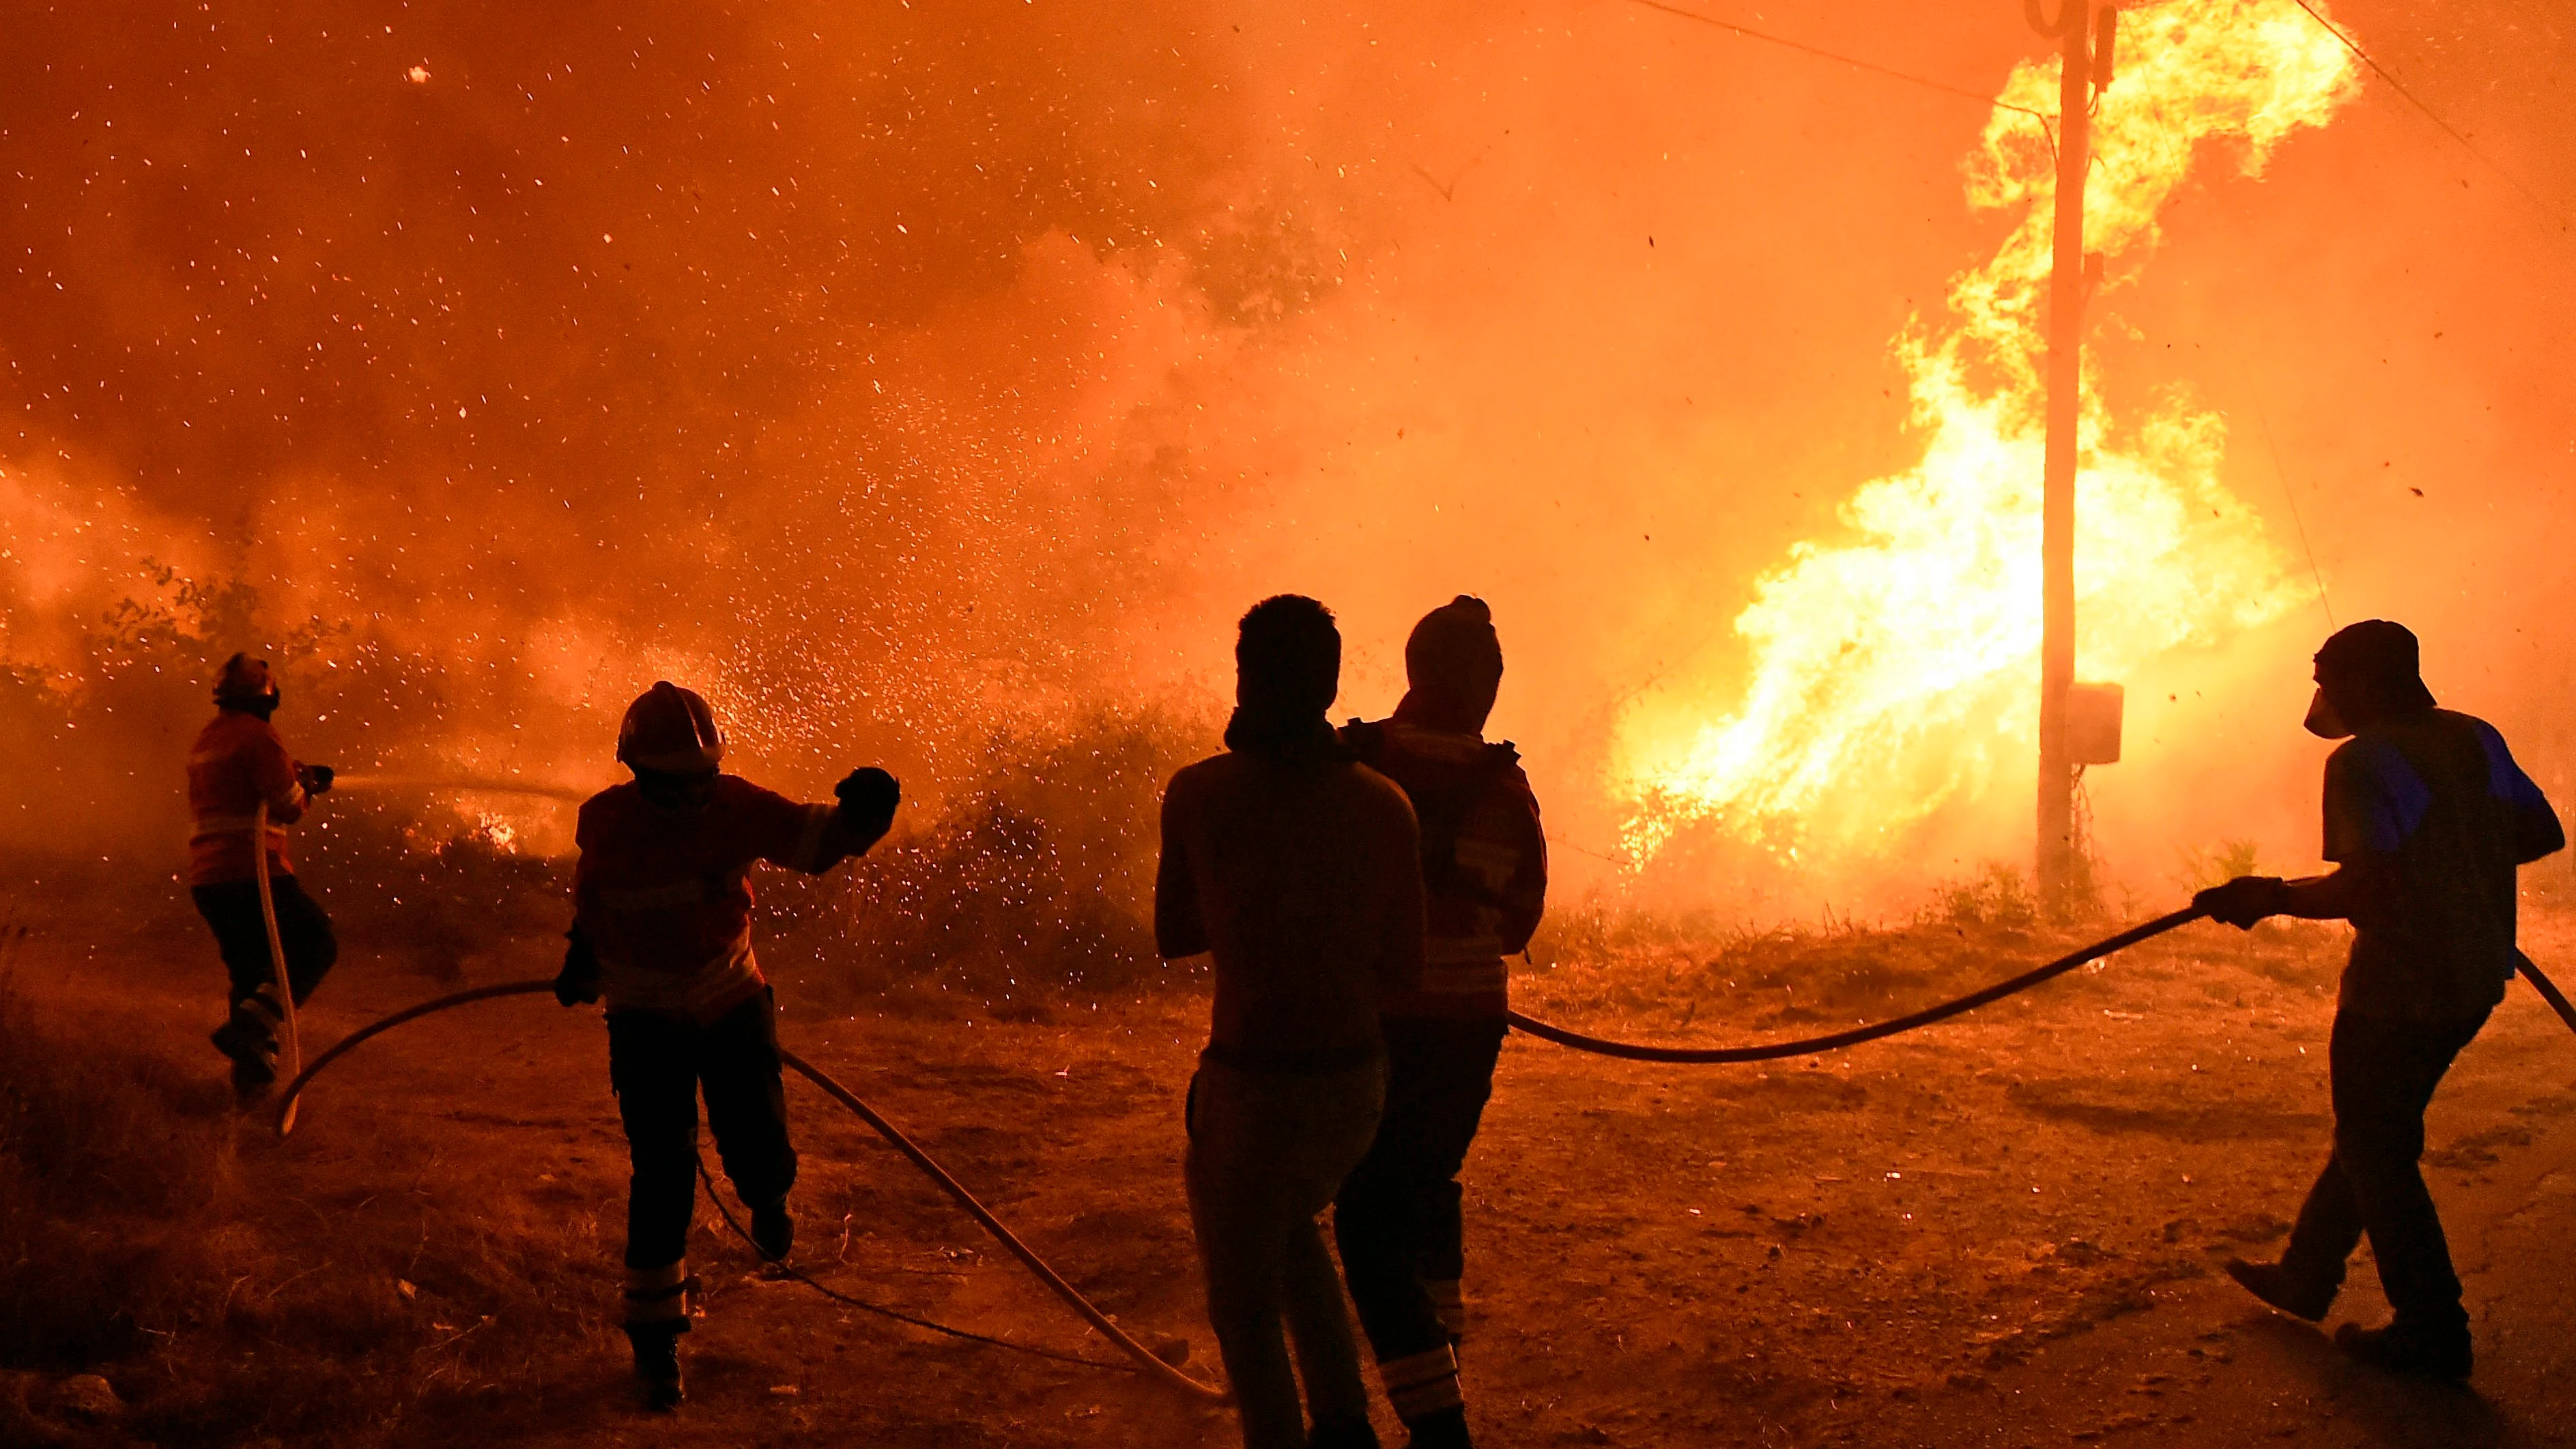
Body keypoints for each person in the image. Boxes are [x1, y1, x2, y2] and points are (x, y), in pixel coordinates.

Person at [2199, 620, 2562, 1380]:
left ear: (2368, 681)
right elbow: (2539, 832)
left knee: (2376, 1145)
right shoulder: (2475, 736)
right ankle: (2307, 1273)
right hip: (2473, 977)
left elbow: (2360, 887)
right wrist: (2460, 864)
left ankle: (2434, 1327)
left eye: (2330, 677)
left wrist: (2266, 895)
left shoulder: (2362, 760)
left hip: (2399, 987)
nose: (2322, 694)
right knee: (2375, 1130)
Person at [553, 680, 901, 1409]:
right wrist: (583, 962)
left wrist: (867, 814)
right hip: (646, 1019)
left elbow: (821, 843)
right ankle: (656, 1346)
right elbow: (597, 903)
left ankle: (769, 1198)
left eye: (703, 779)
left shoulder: (738, 805)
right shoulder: (606, 824)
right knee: (662, 1173)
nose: (694, 796)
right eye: (676, 784)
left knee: (755, 1138)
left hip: (730, 999)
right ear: (638, 773)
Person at [1157, 595, 1426, 1449]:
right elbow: (1404, 968)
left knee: (1243, 1304)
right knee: (1292, 1222)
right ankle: (1344, 1423)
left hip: (1252, 1083)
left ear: (1247, 680)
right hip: (1355, 1085)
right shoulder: (1388, 804)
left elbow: (1176, 931)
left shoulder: (1201, 792)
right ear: (1332, 683)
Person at [1332, 597, 1545, 1449]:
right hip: (1468, 1026)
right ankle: (1440, 1343)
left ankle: (1438, 1425)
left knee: (1365, 1218)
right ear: (1487, 686)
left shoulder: (1357, 763)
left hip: (1375, 1020)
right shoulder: (1507, 786)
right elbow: (1522, 923)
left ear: (1415, 668)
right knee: (1428, 1183)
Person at [189, 652, 337, 1101]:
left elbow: (251, 785)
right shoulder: (259, 737)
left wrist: (299, 774)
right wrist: (307, 786)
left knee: (252, 974)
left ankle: (250, 1088)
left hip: (210, 879)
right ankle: (251, 1027)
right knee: (316, 943)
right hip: (253, 870)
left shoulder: (208, 738)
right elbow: (288, 805)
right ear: (267, 699)